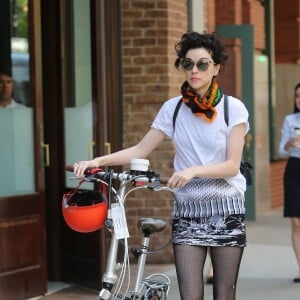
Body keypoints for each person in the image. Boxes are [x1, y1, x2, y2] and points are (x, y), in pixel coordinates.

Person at [73, 31, 249, 300]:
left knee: (224, 293)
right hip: (188, 208)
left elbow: (231, 166)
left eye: (202, 64)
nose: (194, 70)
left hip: (226, 209)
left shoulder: (232, 108)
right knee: (190, 295)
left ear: (216, 68)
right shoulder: (174, 109)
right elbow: (141, 149)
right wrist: (97, 160)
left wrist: (193, 171)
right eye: (187, 63)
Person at [278, 82, 300, 283]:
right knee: (296, 223)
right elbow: (281, 151)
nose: (299, 100)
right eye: (298, 96)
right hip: (294, 169)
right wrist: (289, 143)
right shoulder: (289, 119)